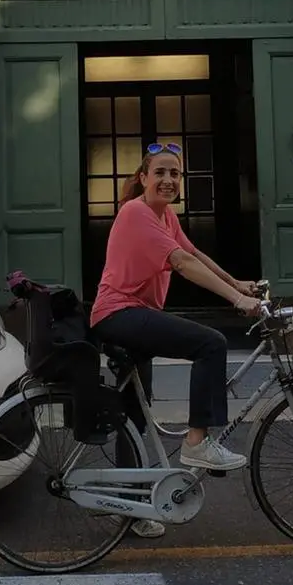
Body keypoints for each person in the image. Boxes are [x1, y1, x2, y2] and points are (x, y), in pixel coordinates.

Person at [90, 141, 261, 539]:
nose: (168, 180)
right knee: (211, 343)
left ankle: (127, 506)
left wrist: (237, 282)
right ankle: (197, 441)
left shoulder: (165, 217)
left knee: (132, 415)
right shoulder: (136, 213)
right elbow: (181, 264)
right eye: (161, 173)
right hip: (120, 314)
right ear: (143, 178)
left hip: (134, 316)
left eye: (175, 174)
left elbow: (193, 252)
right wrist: (236, 300)